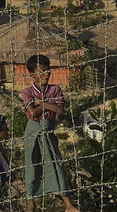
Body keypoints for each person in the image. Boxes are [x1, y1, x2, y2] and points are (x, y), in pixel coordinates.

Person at [23, 54, 79, 212]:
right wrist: (49, 105)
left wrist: (41, 103)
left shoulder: (55, 89)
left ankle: (68, 204)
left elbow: (59, 110)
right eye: (41, 72)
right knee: (32, 165)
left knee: (55, 163)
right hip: (32, 130)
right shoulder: (27, 92)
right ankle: (31, 201)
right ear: (32, 74)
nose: (46, 74)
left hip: (48, 130)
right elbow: (32, 113)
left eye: (48, 71)